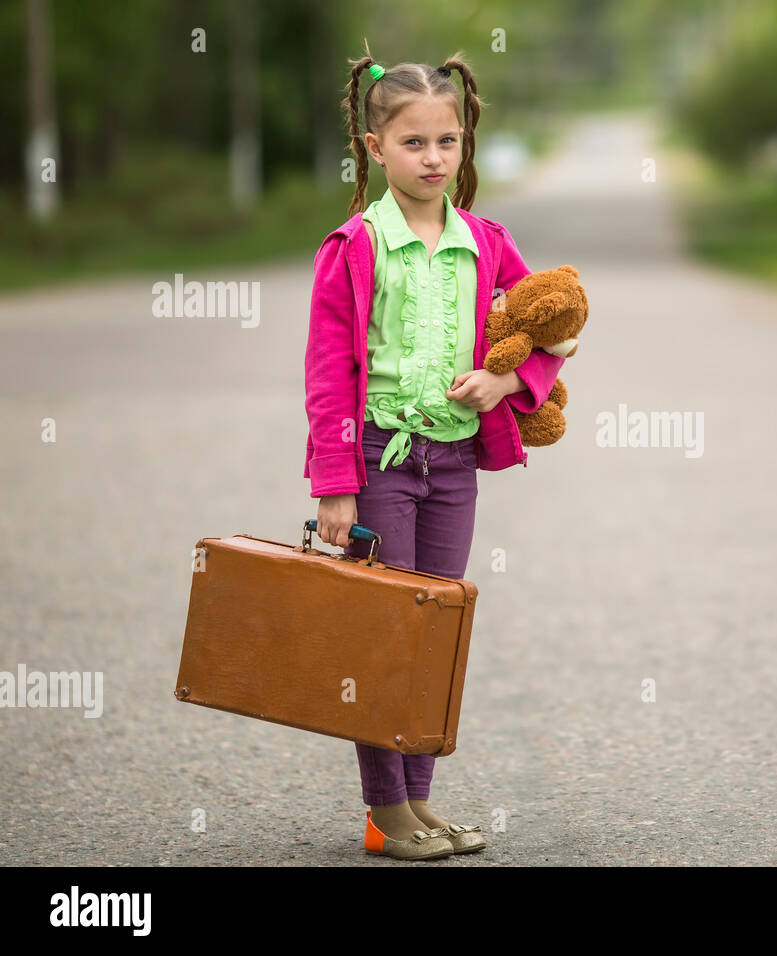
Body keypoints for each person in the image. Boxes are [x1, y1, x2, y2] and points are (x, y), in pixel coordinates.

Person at [303, 41, 566, 860]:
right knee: (384, 634)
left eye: (446, 141)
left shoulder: (485, 241)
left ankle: (419, 804)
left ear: (465, 144)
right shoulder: (354, 246)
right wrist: (334, 486)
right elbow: (326, 375)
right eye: (413, 142)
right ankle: (385, 812)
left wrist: (508, 388)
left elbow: (553, 328)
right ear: (374, 147)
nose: (432, 157)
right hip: (380, 462)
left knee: (434, 634)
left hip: (452, 467)